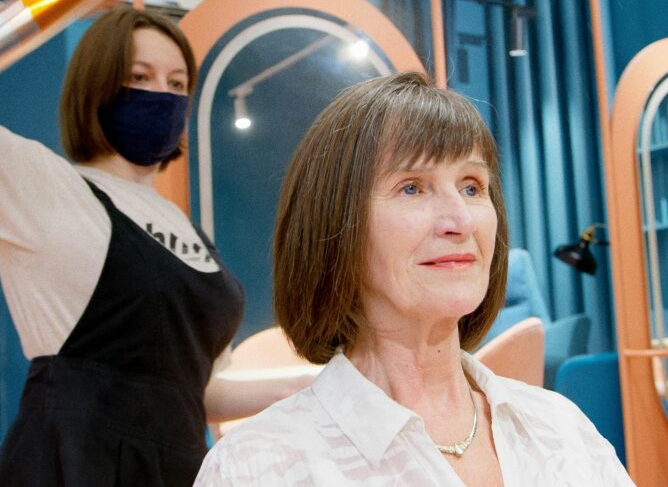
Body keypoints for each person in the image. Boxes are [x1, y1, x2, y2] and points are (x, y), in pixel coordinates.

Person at [0, 0, 308, 485]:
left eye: (178, 84)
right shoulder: (40, 184)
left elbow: (196, 389)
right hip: (72, 463)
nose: (164, 95)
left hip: (178, 466)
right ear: (98, 86)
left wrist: (319, 382)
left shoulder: (184, 228)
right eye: (141, 75)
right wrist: (47, 3)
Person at [195, 71, 635, 486]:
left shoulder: (561, 427)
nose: (459, 220)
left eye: (471, 186)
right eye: (412, 187)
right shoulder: (258, 466)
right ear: (335, 224)